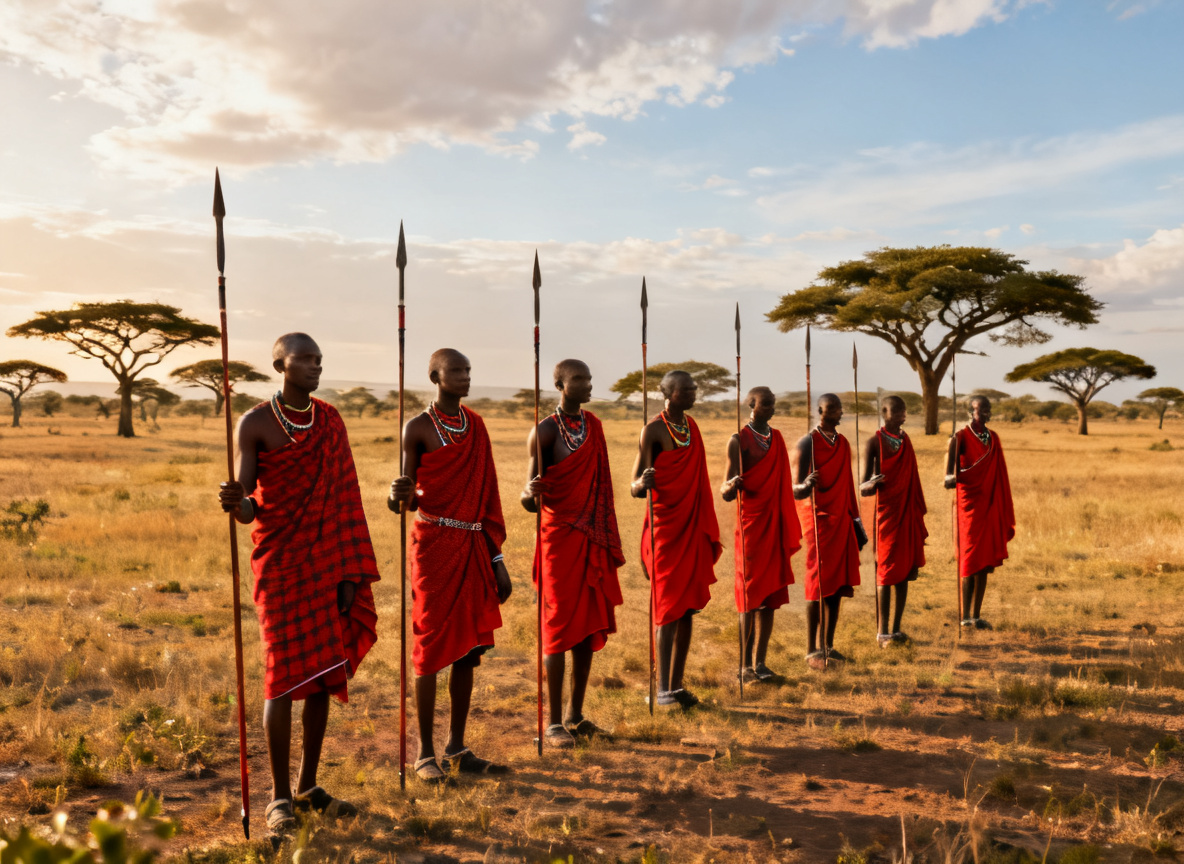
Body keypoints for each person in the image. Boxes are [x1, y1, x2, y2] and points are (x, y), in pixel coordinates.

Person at [218, 332, 379, 838]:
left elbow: (347, 498)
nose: (315, 367)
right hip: (281, 563)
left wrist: (351, 571)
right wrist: (234, 501)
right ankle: (279, 796)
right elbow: (250, 506)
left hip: (329, 561)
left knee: (324, 674)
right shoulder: (255, 423)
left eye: (319, 360)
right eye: (304, 360)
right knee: (282, 676)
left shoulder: (331, 421)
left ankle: (309, 787)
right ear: (279, 365)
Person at [388, 349, 513, 782]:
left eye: (468, 370)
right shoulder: (417, 428)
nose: (465, 377)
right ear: (435, 376)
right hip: (433, 543)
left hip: (474, 544)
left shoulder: (476, 426)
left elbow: (488, 497)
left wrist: (497, 558)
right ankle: (424, 753)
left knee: (469, 651)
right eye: (456, 371)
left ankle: (457, 747)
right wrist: (397, 494)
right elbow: (402, 504)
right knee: (429, 647)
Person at [521, 359, 624, 747]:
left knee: (585, 627)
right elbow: (528, 496)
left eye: (589, 378)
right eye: (579, 379)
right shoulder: (545, 431)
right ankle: (551, 724)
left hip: (591, 536)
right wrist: (530, 495)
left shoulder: (594, 427)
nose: (587, 384)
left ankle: (575, 716)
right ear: (560, 384)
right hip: (558, 538)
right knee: (558, 627)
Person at [630, 370, 721, 709]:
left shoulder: (692, 427)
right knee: (668, 609)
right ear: (668, 392)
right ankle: (662, 689)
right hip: (665, 530)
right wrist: (644, 483)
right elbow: (633, 486)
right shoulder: (653, 430)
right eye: (687, 388)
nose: (694, 392)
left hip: (691, 525)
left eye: (695, 387)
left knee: (686, 610)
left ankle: (678, 685)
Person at [720, 386, 801, 681]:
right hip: (752, 526)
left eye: (773, 403)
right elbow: (725, 489)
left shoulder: (776, 438)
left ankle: (761, 663)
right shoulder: (738, 439)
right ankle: (743, 666)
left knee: (771, 597)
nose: (771, 408)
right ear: (750, 405)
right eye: (765, 404)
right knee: (750, 595)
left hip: (775, 523)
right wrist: (733, 485)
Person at [792, 393, 863, 671]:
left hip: (841, 519)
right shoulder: (807, 442)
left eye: (840, 408)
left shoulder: (843, 443)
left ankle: (828, 645)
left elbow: (846, 484)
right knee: (817, 584)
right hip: (818, 520)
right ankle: (811, 649)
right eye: (833, 409)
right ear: (820, 410)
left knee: (835, 586)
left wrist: (854, 519)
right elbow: (795, 488)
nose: (839, 412)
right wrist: (807, 484)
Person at [860, 395, 927, 647]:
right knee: (886, 572)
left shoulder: (905, 440)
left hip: (906, 511)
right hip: (886, 515)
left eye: (904, 411)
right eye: (896, 411)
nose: (902, 415)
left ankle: (897, 629)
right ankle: (882, 632)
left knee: (905, 571)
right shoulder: (874, 442)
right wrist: (871, 483)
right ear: (883, 412)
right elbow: (863, 486)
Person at [944, 395, 1015, 630]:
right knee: (969, 558)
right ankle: (965, 616)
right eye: (980, 408)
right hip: (969, 505)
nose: (985, 412)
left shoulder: (993, 438)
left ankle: (976, 615)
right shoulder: (960, 437)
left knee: (983, 562)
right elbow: (948, 476)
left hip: (990, 503)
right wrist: (952, 477)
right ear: (969, 411)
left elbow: (999, 471)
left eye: (987, 408)